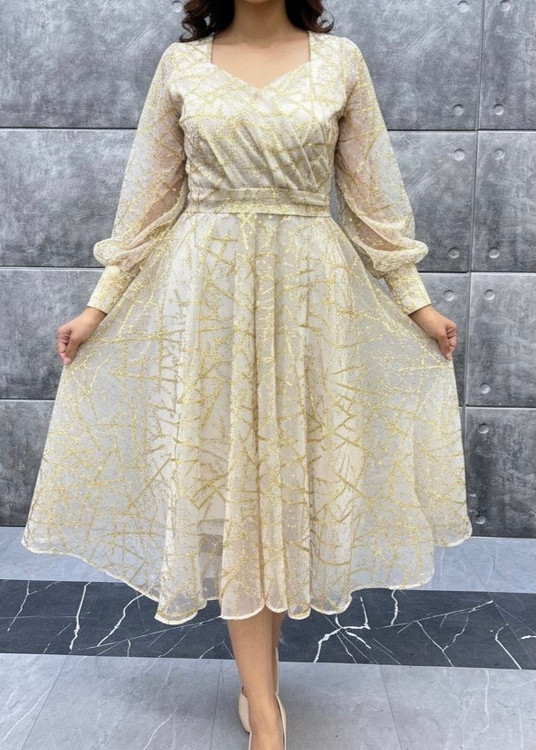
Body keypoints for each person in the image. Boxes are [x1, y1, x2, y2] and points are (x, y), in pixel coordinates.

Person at [22, 1, 474, 749]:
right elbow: (149, 202)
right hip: (208, 299)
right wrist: (99, 306)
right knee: (233, 492)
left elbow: (372, 197)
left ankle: (261, 690)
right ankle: (262, 705)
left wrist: (415, 301)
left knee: (286, 487)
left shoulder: (340, 63)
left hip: (309, 297)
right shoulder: (181, 65)